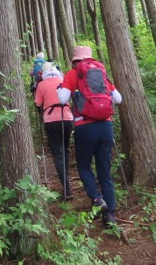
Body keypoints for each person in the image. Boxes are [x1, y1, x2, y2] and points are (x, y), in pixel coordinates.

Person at [57, 45, 122, 226]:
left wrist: (61, 88)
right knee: (105, 171)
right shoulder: (101, 74)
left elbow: (62, 99)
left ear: (75, 60)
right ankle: (111, 216)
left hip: (85, 127)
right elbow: (118, 99)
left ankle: (96, 199)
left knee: (84, 165)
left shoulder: (73, 74)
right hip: (106, 126)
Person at [34, 61, 74, 199]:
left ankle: (67, 187)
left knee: (57, 153)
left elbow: (38, 103)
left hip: (51, 120)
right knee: (66, 149)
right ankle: (67, 177)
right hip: (67, 118)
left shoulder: (41, 84)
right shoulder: (62, 80)